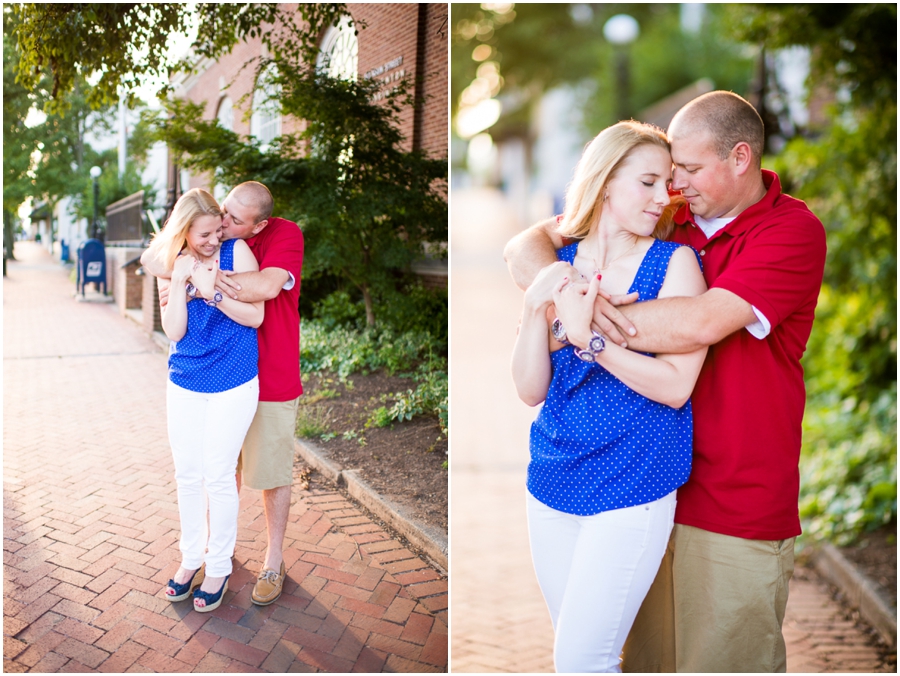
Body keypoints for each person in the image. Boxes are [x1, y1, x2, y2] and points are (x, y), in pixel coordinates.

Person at [505, 91, 827, 672]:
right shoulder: (666, 211)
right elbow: (526, 244)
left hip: (733, 496)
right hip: (643, 476)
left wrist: (583, 321)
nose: (673, 188)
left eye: (689, 172)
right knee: (639, 662)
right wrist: (557, 288)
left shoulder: (790, 232)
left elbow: (700, 322)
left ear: (740, 158)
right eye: (667, 174)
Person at [511, 121, 708, 673]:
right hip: (551, 481)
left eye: (666, 183)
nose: (661, 197)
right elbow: (530, 390)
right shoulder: (560, 266)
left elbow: (674, 387)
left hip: (632, 484)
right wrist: (535, 310)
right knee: (582, 654)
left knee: (580, 660)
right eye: (647, 182)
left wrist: (589, 339)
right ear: (603, 183)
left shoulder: (675, 264)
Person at [142, 181, 304, 607]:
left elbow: (262, 299)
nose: (221, 230)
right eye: (215, 223)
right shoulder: (175, 259)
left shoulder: (268, 240)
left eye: (228, 223)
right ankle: (193, 556)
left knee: (231, 473)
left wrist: (209, 285)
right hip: (187, 380)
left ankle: (238, 565)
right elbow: (172, 324)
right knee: (190, 474)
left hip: (244, 376)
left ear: (257, 224)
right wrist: (179, 277)